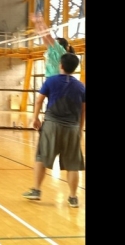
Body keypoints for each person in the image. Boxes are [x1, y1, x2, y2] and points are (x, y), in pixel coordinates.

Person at [22, 53, 85, 208]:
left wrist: (35, 118)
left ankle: (36, 190)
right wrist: (80, 128)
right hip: (72, 128)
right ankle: (73, 197)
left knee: (41, 157)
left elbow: (39, 100)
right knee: (72, 164)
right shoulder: (81, 86)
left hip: (52, 125)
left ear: (61, 65)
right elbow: (83, 110)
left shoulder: (51, 80)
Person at [31, 12, 75, 78]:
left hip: (57, 78)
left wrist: (41, 21)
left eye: (55, 42)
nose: (52, 43)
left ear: (60, 45)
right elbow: (44, 37)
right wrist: (37, 23)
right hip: (49, 77)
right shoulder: (52, 50)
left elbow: (48, 36)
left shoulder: (62, 51)